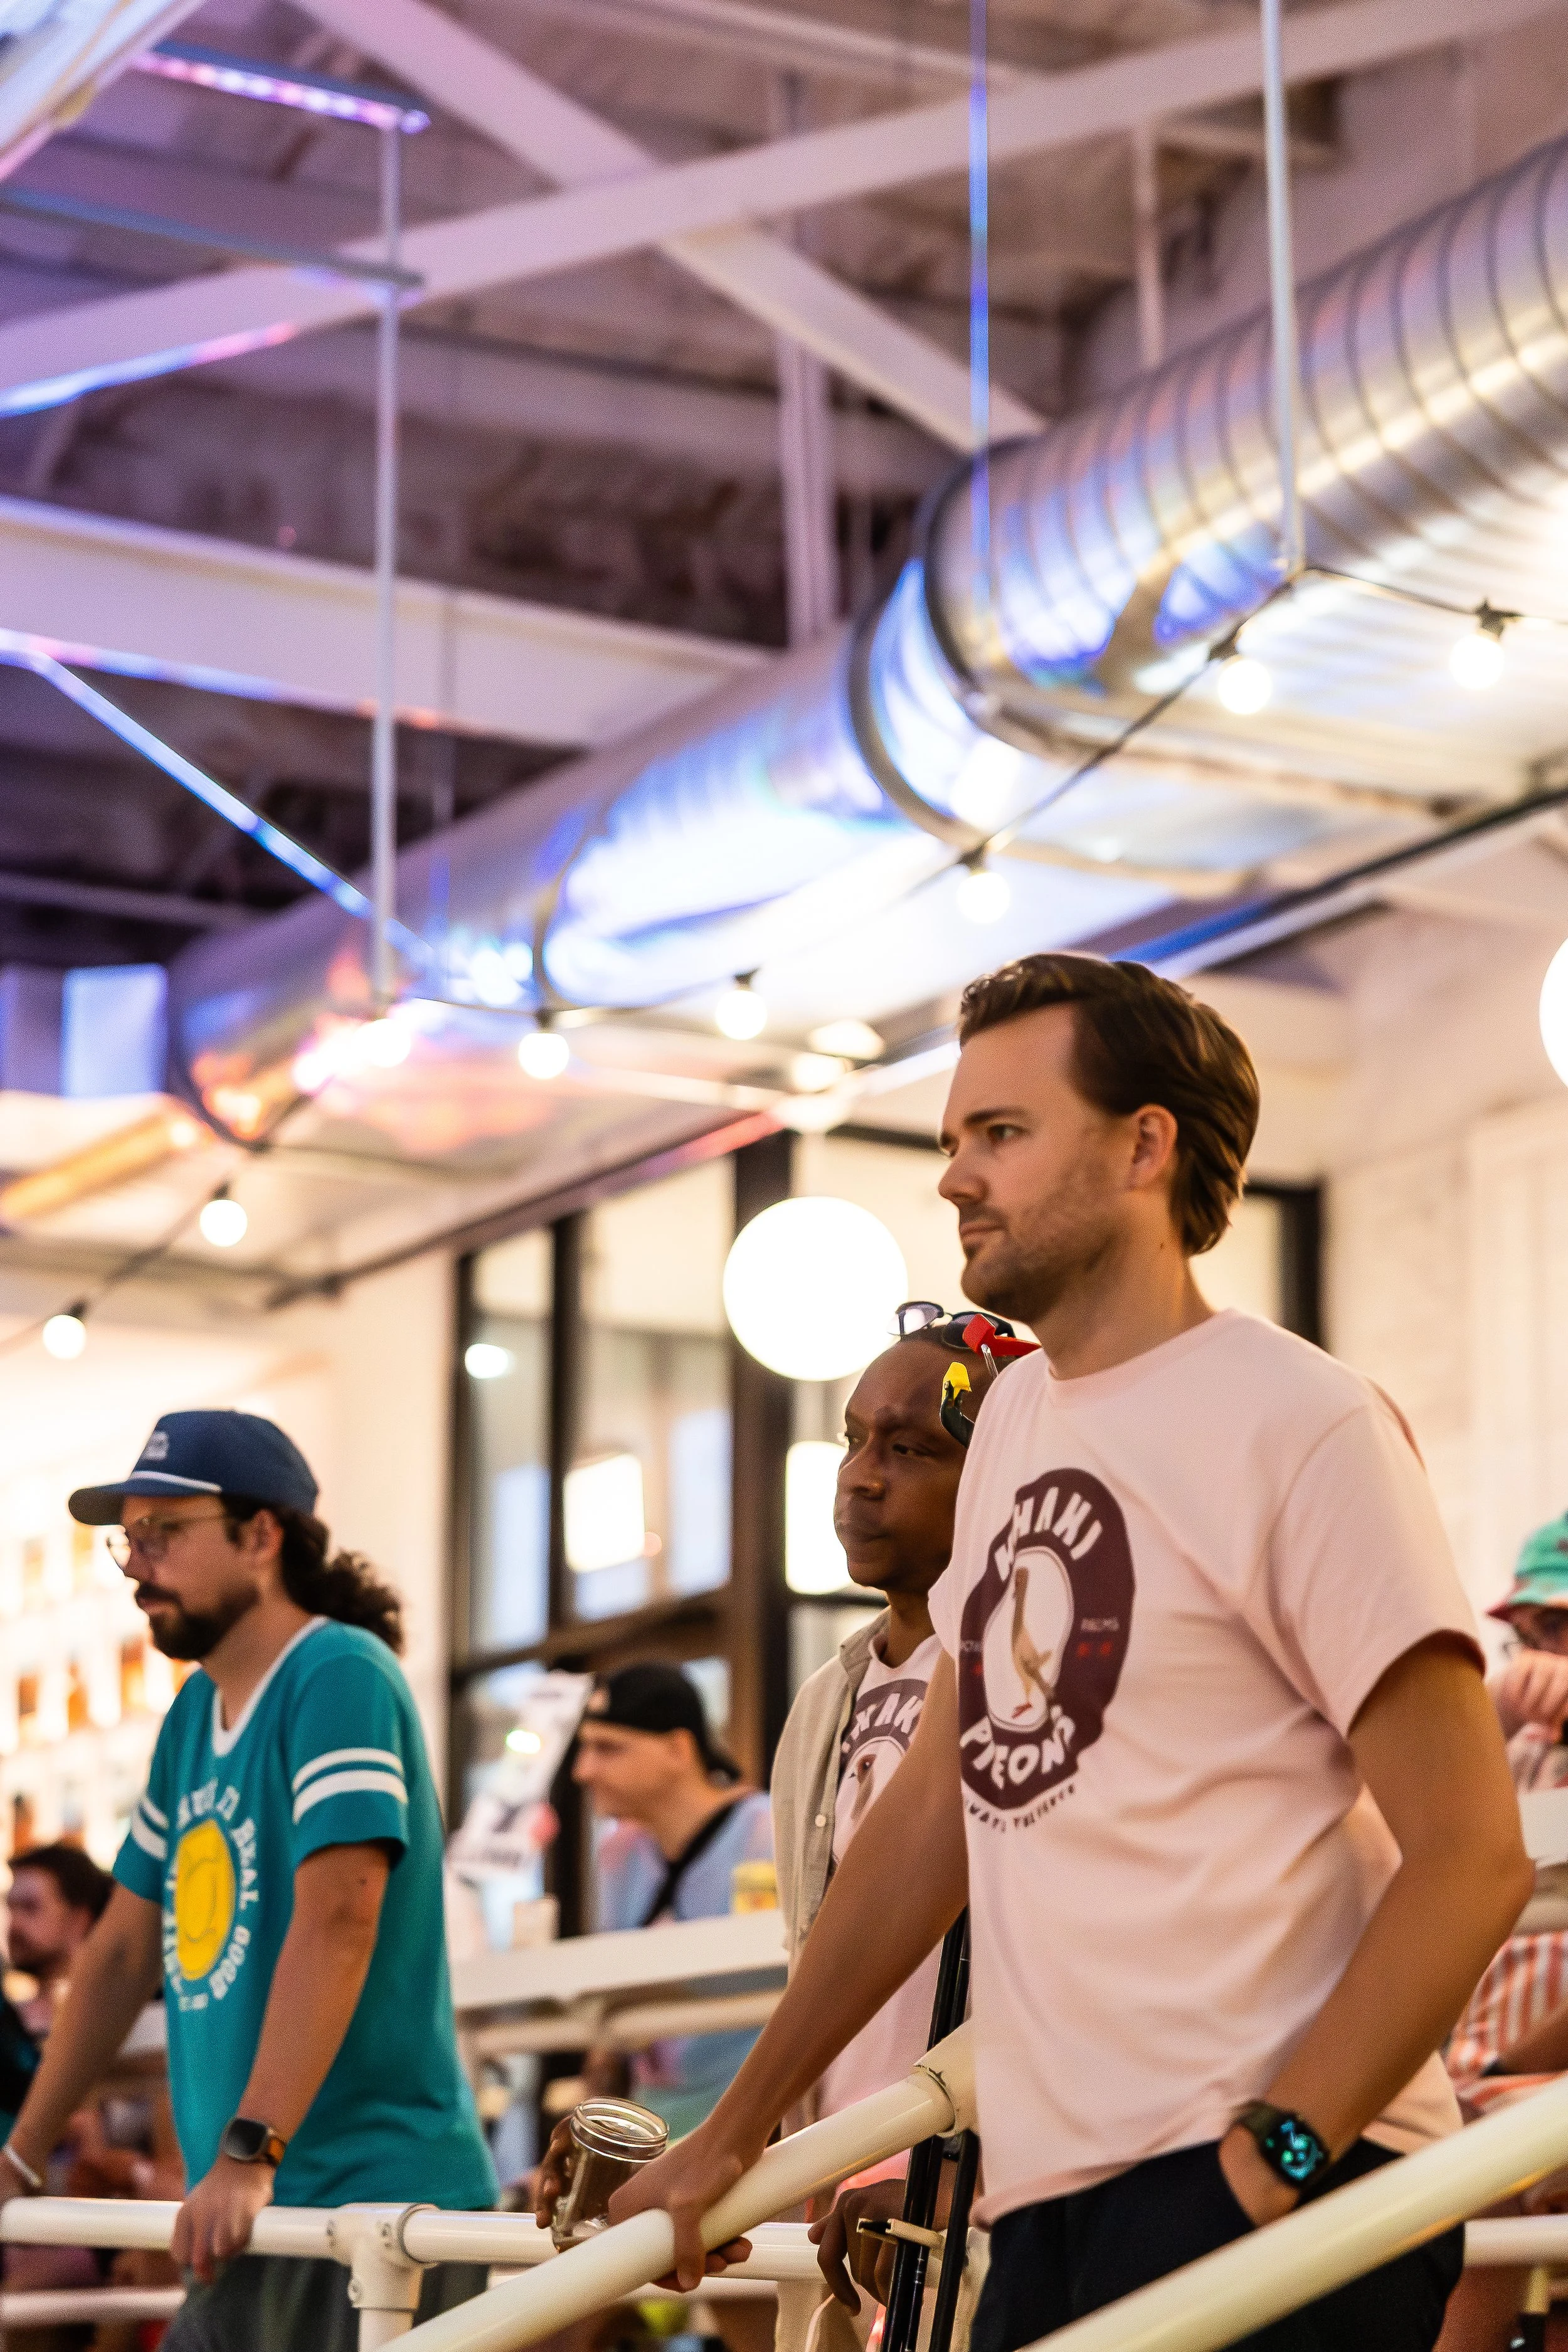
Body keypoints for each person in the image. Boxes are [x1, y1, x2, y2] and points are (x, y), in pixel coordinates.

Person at [609, 951, 1531, 2352]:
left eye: (1000, 1134)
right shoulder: (1017, 1429)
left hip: (1272, 2174)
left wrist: (1273, 2164)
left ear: (1142, 1147)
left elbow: (1470, 1857)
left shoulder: (1300, 1421)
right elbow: (928, 1820)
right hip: (1047, 2187)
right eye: (950, 1141)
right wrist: (731, 2134)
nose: (952, 1179)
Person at [0, 1409, 497, 2352]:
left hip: (360, 2206)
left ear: (261, 1535)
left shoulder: (338, 1672)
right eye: (128, 1539)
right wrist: (21, 2157)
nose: (136, 1565)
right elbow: (113, 1956)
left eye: (164, 1533)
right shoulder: (194, 1712)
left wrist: (246, 2150)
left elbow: (341, 1919)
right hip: (244, 2208)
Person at [1435, 1517, 1568, 2351]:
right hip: (1483, 2086)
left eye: (1561, 1629)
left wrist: (1499, 2072)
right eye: (1536, 1633)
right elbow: (1425, 1801)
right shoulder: (1521, 1755)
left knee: (1472, 2166)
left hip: (1515, 2089)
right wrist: (1489, 1700)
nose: (1548, 1656)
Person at [574, 1665, 773, 2139]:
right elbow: (613, 2005)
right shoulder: (618, 1853)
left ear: (678, 1750)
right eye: (584, 1748)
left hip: (756, 2125)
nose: (584, 1771)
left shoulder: (767, 1832)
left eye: (607, 1748)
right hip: (651, 2123)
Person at [5, 1846, 114, 2040]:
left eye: (30, 1907)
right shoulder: (15, 2017)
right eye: (10, 1907)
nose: (14, 1923)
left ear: (79, 1919)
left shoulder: (116, 2016)